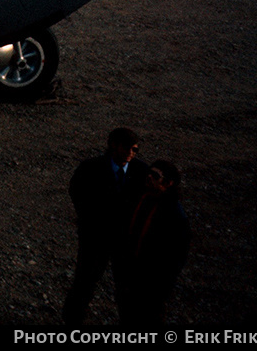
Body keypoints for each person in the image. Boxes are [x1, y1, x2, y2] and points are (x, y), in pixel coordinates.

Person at [63, 127, 148, 326]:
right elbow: (77, 193)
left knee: (126, 287)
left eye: (134, 149)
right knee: (85, 282)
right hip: (96, 237)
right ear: (113, 145)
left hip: (125, 240)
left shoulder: (141, 171)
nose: (130, 153)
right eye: (126, 148)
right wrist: (90, 220)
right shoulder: (91, 168)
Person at [114, 160, 189, 327]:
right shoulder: (141, 200)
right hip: (129, 277)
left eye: (155, 175)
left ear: (169, 183)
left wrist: (159, 288)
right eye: (149, 172)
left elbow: (175, 259)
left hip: (151, 286)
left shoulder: (175, 216)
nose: (149, 177)